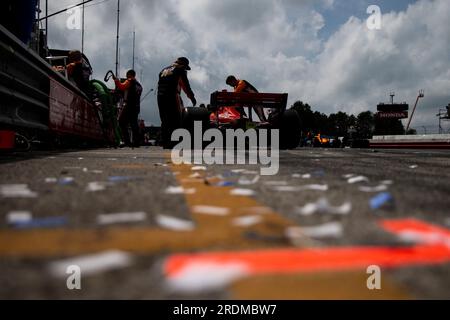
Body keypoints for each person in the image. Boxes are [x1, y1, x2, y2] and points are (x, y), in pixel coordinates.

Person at [157, 57, 197, 149]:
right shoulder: (180, 70)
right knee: (176, 119)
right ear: (183, 64)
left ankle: (165, 142)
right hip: (172, 95)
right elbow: (185, 85)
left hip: (160, 96)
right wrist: (192, 97)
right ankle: (174, 142)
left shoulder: (163, 70)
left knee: (164, 120)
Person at [113, 69, 143, 147]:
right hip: (136, 106)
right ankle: (136, 142)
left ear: (129, 75)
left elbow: (122, 87)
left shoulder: (129, 81)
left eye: (127, 75)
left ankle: (127, 141)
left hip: (129, 106)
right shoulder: (139, 85)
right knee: (134, 124)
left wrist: (116, 81)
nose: (126, 77)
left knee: (122, 122)